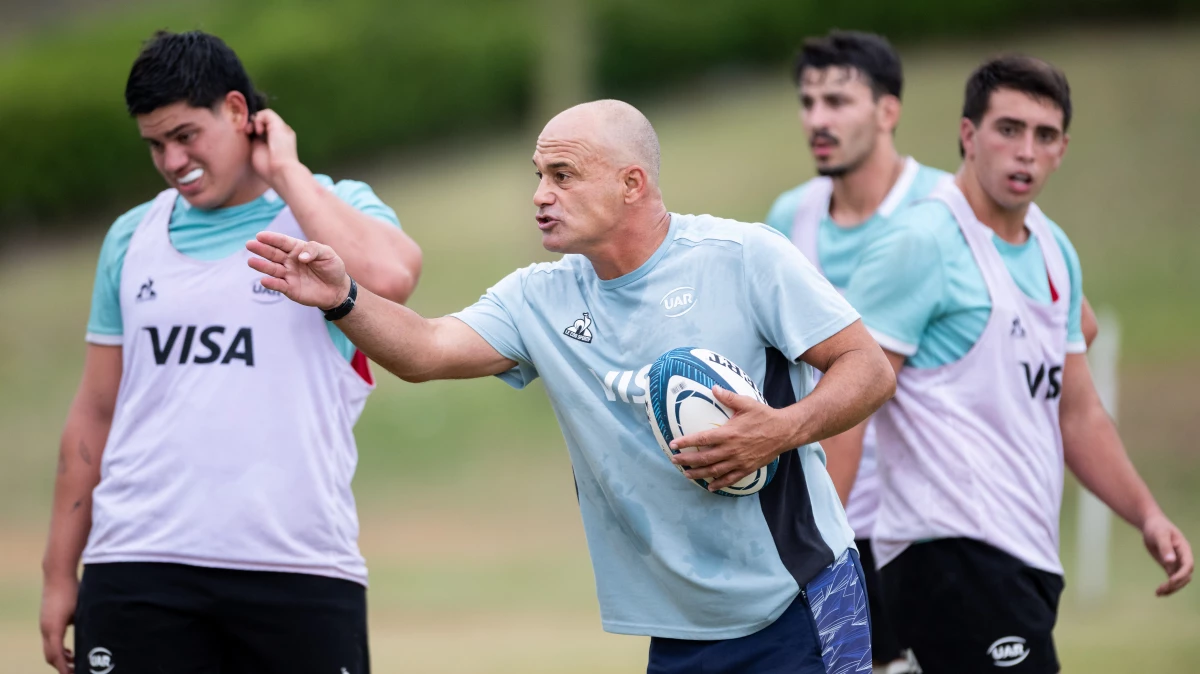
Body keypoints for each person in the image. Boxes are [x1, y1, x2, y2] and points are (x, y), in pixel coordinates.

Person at [249, 99, 895, 674]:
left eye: (562, 175)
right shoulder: (539, 298)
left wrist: (782, 429)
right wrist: (344, 299)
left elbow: (867, 367)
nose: (540, 193)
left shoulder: (744, 257)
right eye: (538, 175)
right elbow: (424, 350)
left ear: (631, 184)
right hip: (677, 628)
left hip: (799, 598)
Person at [39, 30, 422, 674]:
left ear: (240, 113)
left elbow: (390, 278)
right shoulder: (132, 238)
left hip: (298, 568)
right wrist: (57, 573)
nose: (171, 160)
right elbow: (95, 414)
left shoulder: (330, 207)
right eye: (155, 144)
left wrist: (289, 175)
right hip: (137, 565)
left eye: (186, 135)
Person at [843, 55, 1193, 673]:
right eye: (1008, 129)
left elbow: (1079, 415)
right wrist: (826, 554)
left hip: (1023, 556)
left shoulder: (1056, 251)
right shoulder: (920, 242)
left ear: (1062, 150)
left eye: (1044, 135)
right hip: (945, 549)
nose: (1025, 150)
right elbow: (847, 398)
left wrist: (1147, 514)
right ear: (968, 135)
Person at [764, 31, 946, 673]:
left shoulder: (946, 208)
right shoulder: (791, 217)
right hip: (826, 518)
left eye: (837, 101)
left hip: (928, 522)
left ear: (887, 111)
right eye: (808, 101)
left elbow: (1071, 324)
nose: (817, 119)